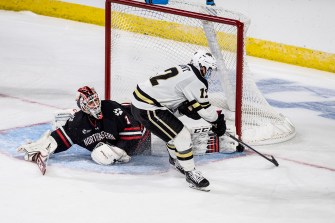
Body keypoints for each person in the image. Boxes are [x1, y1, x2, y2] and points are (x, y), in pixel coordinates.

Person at [131, 49, 227, 190]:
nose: (209, 74)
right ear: (201, 66)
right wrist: (218, 122)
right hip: (148, 108)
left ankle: (175, 160)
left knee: (173, 130)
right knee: (182, 134)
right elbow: (206, 111)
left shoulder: (185, 68)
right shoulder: (196, 80)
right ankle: (190, 173)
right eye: (208, 69)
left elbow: (177, 95)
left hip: (143, 102)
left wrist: (183, 109)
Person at [17, 86, 148, 165]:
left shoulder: (111, 108)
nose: (96, 105)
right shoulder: (78, 122)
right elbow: (63, 138)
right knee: (102, 154)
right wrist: (47, 145)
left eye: (96, 100)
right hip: (113, 141)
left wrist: (121, 149)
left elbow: (135, 129)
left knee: (106, 154)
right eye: (91, 103)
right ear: (82, 106)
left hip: (142, 132)